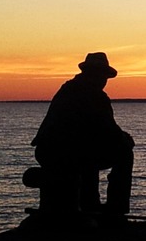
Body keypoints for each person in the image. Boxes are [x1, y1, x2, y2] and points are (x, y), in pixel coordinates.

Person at [24, 52, 134, 223]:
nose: (104, 81)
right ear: (94, 74)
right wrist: (126, 140)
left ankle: (91, 205)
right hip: (65, 153)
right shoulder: (95, 96)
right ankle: (116, 209)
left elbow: (100, 131)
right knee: (124, 154)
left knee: (88, 153)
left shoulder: (67, 89)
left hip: (49, 152)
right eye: (102, 76)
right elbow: (109, 131)